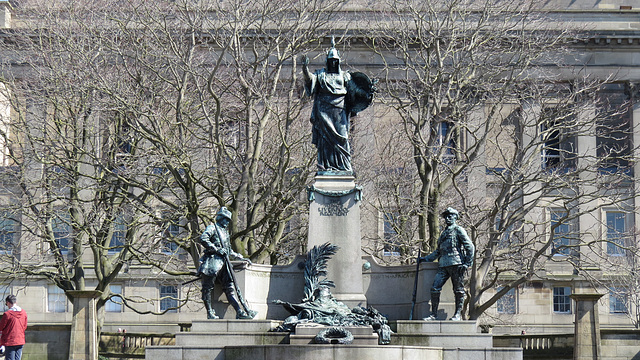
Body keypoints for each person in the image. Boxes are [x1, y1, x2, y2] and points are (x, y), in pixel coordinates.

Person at [301, 37, 375, 173]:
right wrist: (305, 68)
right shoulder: (321, 75)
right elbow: (310, 80)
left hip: (340, 113)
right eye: (331, 61)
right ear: (328, 62)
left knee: (343, 139)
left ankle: (344, 167)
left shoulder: (345, 76)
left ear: (338, 61)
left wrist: (367, 94)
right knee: (325, 142)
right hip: (324, 113)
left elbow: (355, 90)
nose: (333, 63)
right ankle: (326, 166)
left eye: (335, 61)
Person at [198, 207, 256, 320]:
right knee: (207, 288)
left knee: (230, 288)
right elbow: (203, 238)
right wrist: (215, 249)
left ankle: (239, 311)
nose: (227, 222)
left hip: (224, 264)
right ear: (220, 218)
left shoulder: (225, 233)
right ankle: (210, 312)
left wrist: (241, 257)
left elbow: (229, 251)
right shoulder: (212, 228)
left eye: (228, 220)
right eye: (225, 219)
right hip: (212, 262)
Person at [420, 207, 475, 321]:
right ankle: (434, 315)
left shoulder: (458, 230)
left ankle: (457, 315)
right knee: (435, 288)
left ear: (455, 217)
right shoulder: (444, 233)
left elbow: (470, 246)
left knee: (458, 290)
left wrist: (467, 263)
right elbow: (438, 251)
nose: (448, 218)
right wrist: (425, 259)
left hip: (456, 264)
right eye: (446, 216)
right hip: (443, 264)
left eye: (451, 216)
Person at [0, 295, 28, 360]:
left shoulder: (7, 314)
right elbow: (24, 326)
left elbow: (1, 327)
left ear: (8, 303)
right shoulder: (23, 313)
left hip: (10, 340)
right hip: (20, 339)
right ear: (16, 302)